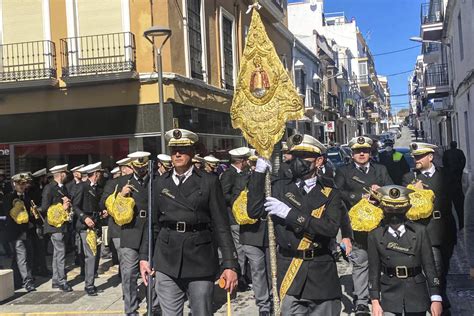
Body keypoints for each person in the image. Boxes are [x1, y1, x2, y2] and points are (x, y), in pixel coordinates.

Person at [139, 128, 238, 315]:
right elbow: (152, 225)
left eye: (183, 149)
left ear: (192, 152)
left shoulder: (209, 181)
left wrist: (229, 264)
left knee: (201, 311)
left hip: (200, 258)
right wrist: (145, 257)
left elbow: (221, 226)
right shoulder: (159, 183)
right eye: (174, 150)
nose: (177, 154)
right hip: (167, 258)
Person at [248, 134, 343, 315]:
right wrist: (259, 174)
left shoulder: (330, 192)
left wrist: (289, 214)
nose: (298, 162)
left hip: (320, 271)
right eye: (295, 156)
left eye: (304, 157)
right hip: (289, 269)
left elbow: (330, 228)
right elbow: (254, 210)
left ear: (319, 160)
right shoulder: (279, 187)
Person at [334, 136, 393, 316]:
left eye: (365, 151)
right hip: (356, 225)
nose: (362, 154)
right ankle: (360, 301)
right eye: (358, 151)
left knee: (383, 261)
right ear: (352, 154)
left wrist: (381, 192)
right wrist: (359, 197)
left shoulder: (381, 170)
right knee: (360, 262)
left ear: (370, 153)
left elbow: (393, 192)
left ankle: (380, 296)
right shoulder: (343, 171)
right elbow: (336, 194)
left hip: (379, 224)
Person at [368, 185, 443, 316]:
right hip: (390, 292)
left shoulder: (419, 231)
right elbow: (373, 270)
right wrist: (375, 300)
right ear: (383, 209)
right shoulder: (376, 235)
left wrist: (436, 298)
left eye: (398, 210)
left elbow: (429, 265)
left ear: (406, 209)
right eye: (390, 210)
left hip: (416, 291)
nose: (394, 215)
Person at [402, 142, 456, 313]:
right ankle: (437, 298)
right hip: (426, 228)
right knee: (435, 266)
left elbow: (458, 198)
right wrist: (415, 191)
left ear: (430, 157)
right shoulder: (409, 179)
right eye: (414, 157)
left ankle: (440, 293)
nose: (415, 160)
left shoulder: (446, 174)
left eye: (419, 157)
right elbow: (406, 206)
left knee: (445, 265)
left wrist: (462, 223)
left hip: (446, 228)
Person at [100, 151, 156, 315]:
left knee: (152, 271)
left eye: (144, 166)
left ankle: (153, 306)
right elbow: (108, 205)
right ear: (131, 166)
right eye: (137, 167)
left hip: (150, 230)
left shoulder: (155, 181)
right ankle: (131, 309)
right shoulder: (120, 182)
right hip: (129, 231)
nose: (141, 170)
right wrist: (121, 195)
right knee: (129, 273)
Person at [220, 146, 251, 290]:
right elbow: (223, 195)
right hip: (234, 218)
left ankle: (243, 275)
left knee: (242, 249)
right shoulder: (229, 174)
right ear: (242, 161)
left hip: (242, 218)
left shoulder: (241, 173)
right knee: (239, 250)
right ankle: (240, 278)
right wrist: (237, 200)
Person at [2, 173, 36, 292]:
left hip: (27, 231)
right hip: (15, 232)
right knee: (22, 256)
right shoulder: (9, 197)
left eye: (23, 184)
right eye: (19, 184)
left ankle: (16, 280)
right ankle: (27, 281)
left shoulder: (27, 197)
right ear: (14, 184)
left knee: (22, 257)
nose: (21, 186)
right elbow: (9, 215)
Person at [41, 164, 73, 292]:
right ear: (61, 174)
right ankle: (62, 280)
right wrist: (62, 208)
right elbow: (44, 208)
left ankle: (56, 279)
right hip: (54, 226)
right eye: (65, 173)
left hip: (62, 224)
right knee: (61, 253)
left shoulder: (63, 187)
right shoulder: (49, 188)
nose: (66, 176)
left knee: (57, 253)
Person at [75, 162, 105, 296]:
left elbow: (97, 205)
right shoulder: (82, 187)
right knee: (91, 255)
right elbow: (75, 206)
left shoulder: (98, 188)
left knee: (96, 255)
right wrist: (84, 218)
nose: (101, 176)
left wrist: (102, 211)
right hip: (85, 226)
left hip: (96, 224)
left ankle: (91, 281)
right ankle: (89, 285)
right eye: (100, 173)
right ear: (96, 174)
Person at [442, 140, 466, 229]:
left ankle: (450, 226)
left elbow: (444, 163)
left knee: (448, 206)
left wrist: (448, 172)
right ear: (455, 145)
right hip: (457, 182)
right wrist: (459, 171)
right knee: (459, 206)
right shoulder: (460, 152)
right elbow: (463, 162)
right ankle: (461, 224)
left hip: (449, 182)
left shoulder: (446, 153)